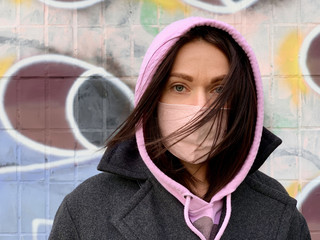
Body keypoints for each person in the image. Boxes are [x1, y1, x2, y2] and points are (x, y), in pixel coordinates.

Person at [49, 17, 311, 240]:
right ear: (151, 98)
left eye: (219, 89)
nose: (201, 107)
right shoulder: (88, 209)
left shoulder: (279, 213)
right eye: (179, 87)